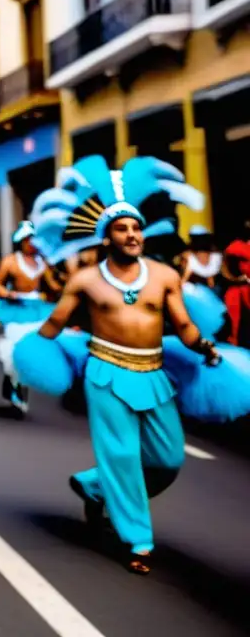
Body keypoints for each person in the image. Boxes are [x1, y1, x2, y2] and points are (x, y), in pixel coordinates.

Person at [22, 156, 224, 575]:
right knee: (122, 455)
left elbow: (183, 324)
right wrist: (30, 353)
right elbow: (55, 324)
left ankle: (95, 488)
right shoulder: (84, 281)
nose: (132, 234)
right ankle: (137, 539)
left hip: (153, 374)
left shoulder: (165, 275)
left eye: (135, 227)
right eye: (122, 228)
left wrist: (204, 346)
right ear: (106, 236)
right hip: (105, 373)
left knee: (167, 459)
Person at [0, 221, 57, 415]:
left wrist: (60, 277)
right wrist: (7, 293)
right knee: (14, 351)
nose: (32, 244)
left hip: (36, 312)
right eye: (28, 240)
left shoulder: (42, 263)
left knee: (29, 352)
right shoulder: (10, 261)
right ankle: (14, 389)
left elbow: (52, 287)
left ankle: (21, 389)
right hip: (15, 311)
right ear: (22, 241)